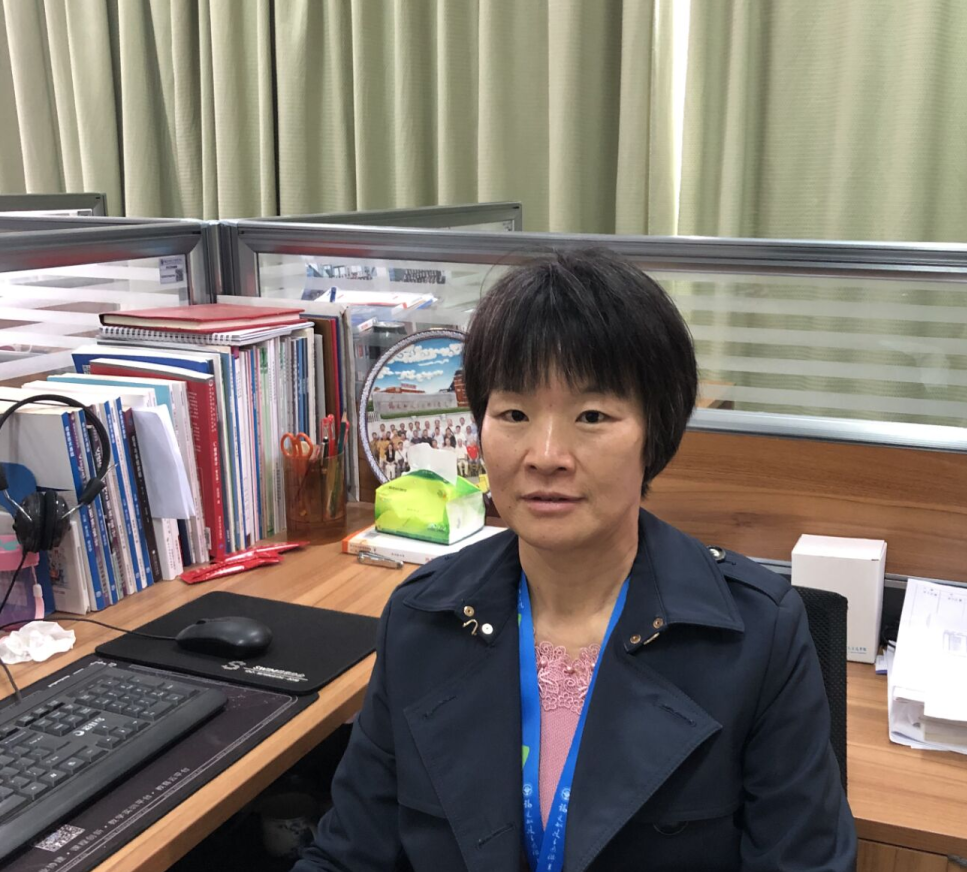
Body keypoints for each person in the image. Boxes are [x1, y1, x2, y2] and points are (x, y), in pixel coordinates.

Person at [293, 248, 856, 872]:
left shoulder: (757, 635)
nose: (545, 454)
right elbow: (348, 855)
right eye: (513, 413)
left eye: (592, 416)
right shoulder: (423, 618)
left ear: (654, 433)